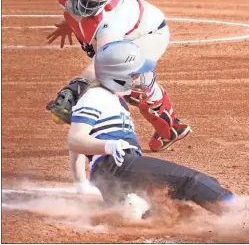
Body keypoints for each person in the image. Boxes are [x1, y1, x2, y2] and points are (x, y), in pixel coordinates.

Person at [46, 0, 191, 152]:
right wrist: (67, 22)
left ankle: (169, 127)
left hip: (146, 35)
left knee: (120, 84)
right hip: (116, 38)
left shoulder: (115, 16)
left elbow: (103, 64)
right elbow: (74, 9)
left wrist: (76, 87)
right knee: (119, 83)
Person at [67, 40, 234, 215]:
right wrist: (108, 146)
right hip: (116, 166)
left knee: (178, 203)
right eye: (134, 75)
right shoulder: (95, 96)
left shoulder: (110, 96)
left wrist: (81, 180)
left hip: (115, 177)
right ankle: (241, 214)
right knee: (193, 182)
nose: (138, 78)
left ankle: (134, 207)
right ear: (119, 76)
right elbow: (75, 139)